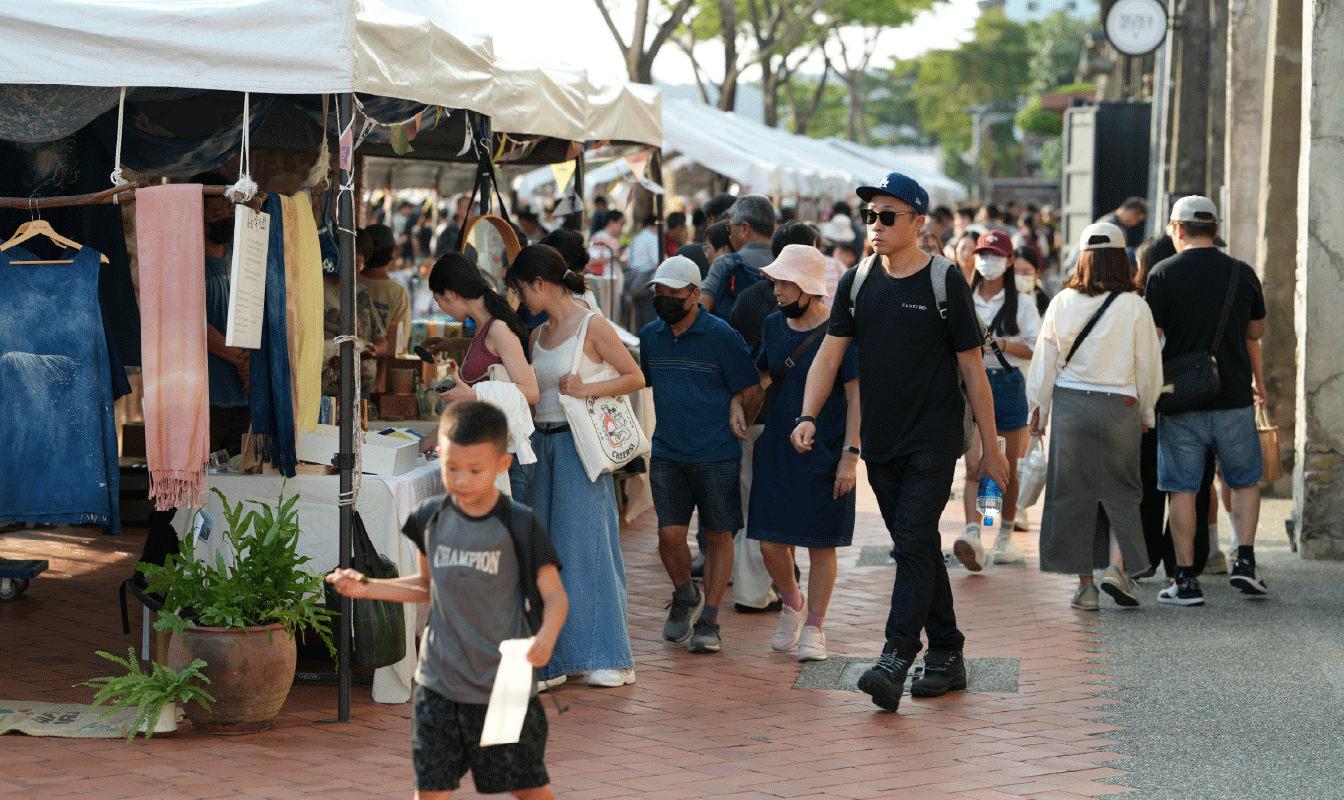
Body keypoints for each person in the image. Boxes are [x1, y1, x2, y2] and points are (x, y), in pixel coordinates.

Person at [794, 172, 1010, 711]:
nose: (876, 225)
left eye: (888, 216)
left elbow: (973, 370)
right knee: (916, 545)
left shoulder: (944, 282)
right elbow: (829, 355)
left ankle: (896, 656)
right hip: (882, 443)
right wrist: (808, 414)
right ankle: (948, 652)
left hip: (934, 439)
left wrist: (992, 447)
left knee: (911, 537)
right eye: (870, 216)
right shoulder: (858, 280)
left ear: (918, 223)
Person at [327, 400, 567, 800]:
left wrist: (547, 637)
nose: (462, 480)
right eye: (451, 467)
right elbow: (426, 585)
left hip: (504, 685)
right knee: (432, 791)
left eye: (476, 470)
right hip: (438, 682)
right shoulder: (429, 517)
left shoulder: (521, 524)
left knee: (527, 788)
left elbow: (555, 595)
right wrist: (367, 587)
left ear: (504, 464)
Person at [506, 245, 644, 688]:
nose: (521, 299)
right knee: (547, 557)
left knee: (589, 550)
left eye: (522, 290)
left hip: (579, 449)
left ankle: (613, 657)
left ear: (540, 284)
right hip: (538, 449)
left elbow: (635, 376)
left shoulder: (591, 324)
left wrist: (584, 389)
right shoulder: (537, 334)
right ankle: (555, 660)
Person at [1026, 222, 1162, 610]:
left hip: (1071, 405)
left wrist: (1040, 409)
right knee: (1122, 492)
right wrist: (1147, 410)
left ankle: (1085, 588)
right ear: (1123, 259)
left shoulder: (1062, 302)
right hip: (1121, 405)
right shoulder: (1135, 305)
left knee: (1074, 497)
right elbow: (1148, 366)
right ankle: (1117, 569)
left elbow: (1044, 363)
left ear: (1082, 257)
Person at [1145, 196, 1268, 605]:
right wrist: (1260, 383)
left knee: (1181, 488)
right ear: (1215, 229)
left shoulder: (1161, 274)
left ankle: (1184, 580)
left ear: (1178, 229)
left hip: (1180, 401)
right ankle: (1246, 562)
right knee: (1244, 479)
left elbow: (1152, 342)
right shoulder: (1242, 273)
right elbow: (1256, 332)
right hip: (1233, 395)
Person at [640, 256, 762, 654]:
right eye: (659, 291)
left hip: (716, 452)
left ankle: (710, 617)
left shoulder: (722, 336)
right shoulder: (650, 336)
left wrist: (740, 414)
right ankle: (684, 595)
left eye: (673, 292)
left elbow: (752, 389)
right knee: (668, 535)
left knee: (717, 533)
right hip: (667, 451)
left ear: (695, 294)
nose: (664, 298)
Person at [748, 245, 860, 663]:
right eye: (774, 281)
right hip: (777, 445)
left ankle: (814, 626)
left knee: (820, 543)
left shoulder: (841, 330)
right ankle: (791, 603)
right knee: (769, 543)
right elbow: (761, 372)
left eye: (784, 283)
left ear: (809, 287)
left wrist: (850, 455)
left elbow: (856, 395)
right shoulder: (774, 325)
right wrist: (736, 407)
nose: (775, 290)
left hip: (827, 448)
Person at [953, 231, 1040, 570]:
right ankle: (974, 533)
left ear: (1007, 261)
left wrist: (1002, 345)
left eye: (995, 255)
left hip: (1007, 384)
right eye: (982, 254)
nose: (988, 261)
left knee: (1006, 470)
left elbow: (1035, 348)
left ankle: (1004, 533)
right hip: (969, 386)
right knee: (974, 466)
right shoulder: (964, 296)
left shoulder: (1022, 302)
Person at [417, 253, 540, 457]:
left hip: (505, 457)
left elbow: (531, 392)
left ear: (451, 294)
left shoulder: (498, 329)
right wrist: (435, 436)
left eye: (438, 300)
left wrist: (475, 394)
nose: (440, 307)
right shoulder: (483, 329)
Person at [701, 195, 777, 318]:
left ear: (744, 229)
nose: (729, 234)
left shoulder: (725, 263)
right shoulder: (786, 263)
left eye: (729, 227)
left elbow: (701, 310)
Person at [359, 224, 412, 387]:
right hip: (375, 382)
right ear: (394, 251)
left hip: (339, 372)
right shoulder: (398, 294)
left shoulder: (348, 282)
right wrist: (378, 385)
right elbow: (397, 346)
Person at [1013, 245, 1051, 318]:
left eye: (1026, 273)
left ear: (1036, 273)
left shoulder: (1043, 303)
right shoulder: (999, 300)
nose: (1019, 277)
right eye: (1015, 272)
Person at [588, 210, 624, 276]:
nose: (622, 227)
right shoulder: (598, 238)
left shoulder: (616, 238)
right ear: (611, 223)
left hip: (614, 280)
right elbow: (591, 261)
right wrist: (613, 256)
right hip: (604, 281)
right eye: (621, 224)